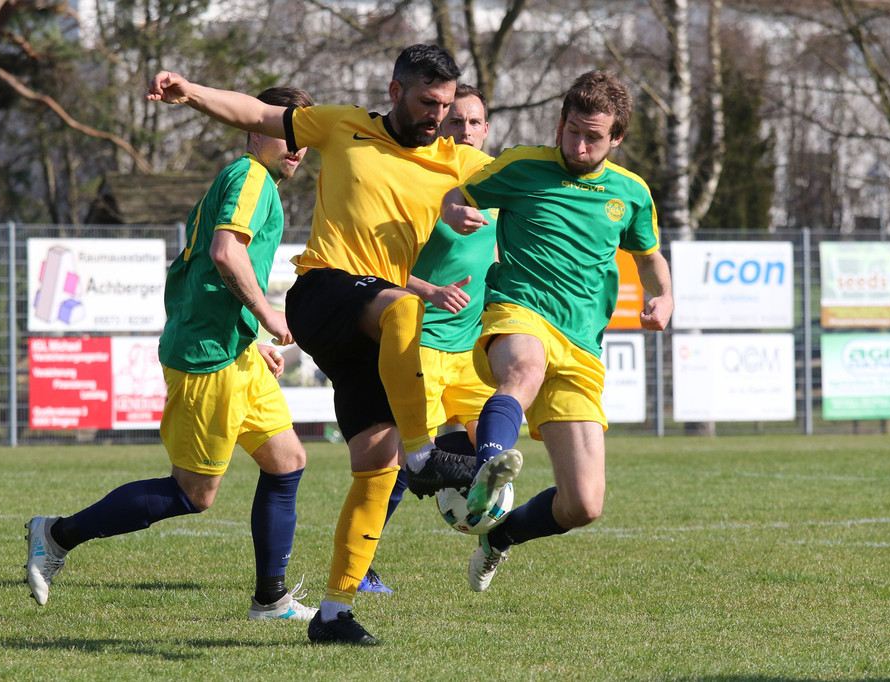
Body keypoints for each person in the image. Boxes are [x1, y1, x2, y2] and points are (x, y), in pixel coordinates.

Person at [147, 45, 492, 645]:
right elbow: (257, 115)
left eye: (444, 104)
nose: (437, 115)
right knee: (403, 312)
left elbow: (533, 181)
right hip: (323, 292)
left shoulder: (457, 163)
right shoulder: (342, 125)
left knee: (376, 468)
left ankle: (334, 613)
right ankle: (424, 455)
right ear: (395, 92)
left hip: (368, 330)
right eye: (426, 101)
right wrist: (191, 91)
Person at [24, 86, 319, 622]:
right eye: (285, 131)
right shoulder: (252, 177)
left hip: (234, 351)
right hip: (208, 358)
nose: (297, 146)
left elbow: (208, 270)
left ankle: (270, 600)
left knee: (288, 462)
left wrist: (250, 334)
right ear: (255, 130)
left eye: (303, 136)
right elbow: (225, 253)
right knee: (194, 494)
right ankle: (57, 534)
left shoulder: (252, 181)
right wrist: (270, 315)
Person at [440, 70, 674, 592]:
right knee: (524, 368)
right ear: (560, 123)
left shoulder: (631, 192)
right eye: (572, 131)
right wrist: (454, 211)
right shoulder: (523, 165)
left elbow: (649, 256)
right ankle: (488, 470)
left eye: (593, 137)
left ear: (617, 139)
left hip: (582, 343)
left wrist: (665, 295)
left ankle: (501, 536)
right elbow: (459, 194)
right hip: (520, 310)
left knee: (583, 504)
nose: (579, 145)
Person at [361, 84, 497, 595]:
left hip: (472, 354)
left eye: (474, 122)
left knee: (495, 457)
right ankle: (361, 563)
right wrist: (430, 291)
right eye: (455, 121)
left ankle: (492, 537)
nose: (465, 131)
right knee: (402, 464)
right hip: (421, 345)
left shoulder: (500, 190)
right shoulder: (423, 184)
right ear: (440, 127)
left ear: (487, 129)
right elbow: (377, 266)